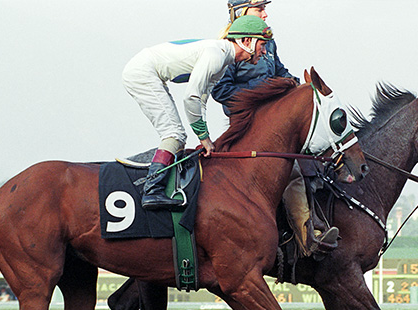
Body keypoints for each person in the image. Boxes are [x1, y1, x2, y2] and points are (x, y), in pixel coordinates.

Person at [213, 0, 339, 257]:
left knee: (303, 163)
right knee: (290, 173)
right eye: (259, 9)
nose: (265, 13)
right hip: (248, 128)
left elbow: (280, 72)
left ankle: (308, 237)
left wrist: (292, 83)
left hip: (275, 127)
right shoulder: (226, 47)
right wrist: (264, 93)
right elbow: (221, 91)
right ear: (241, 12)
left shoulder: (267, 42)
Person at [122, 15, 273, 210]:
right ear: (246, 41)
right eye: (262, 44)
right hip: (142, 72)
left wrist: (205, 138)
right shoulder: (217, 56)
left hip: (148, 71)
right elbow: (191, 98)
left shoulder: (223, 60)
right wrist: (204, 137)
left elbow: (201, 101)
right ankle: (152, 190)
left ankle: (166, 186)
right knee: (174, 134)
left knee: (179, 136)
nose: (264, 51)